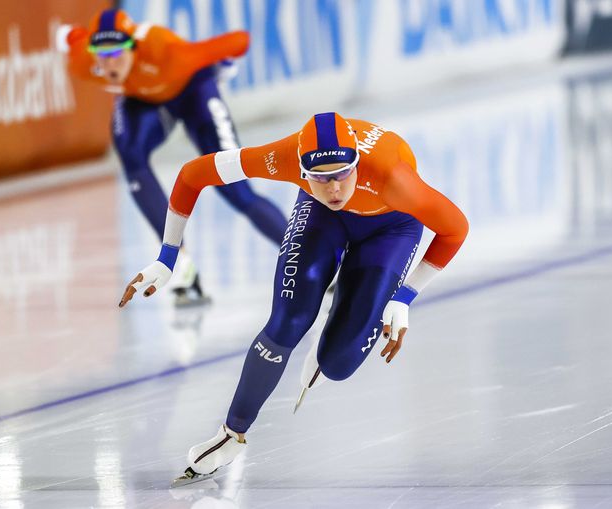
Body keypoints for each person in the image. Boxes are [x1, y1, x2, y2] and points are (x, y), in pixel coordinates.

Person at [119, 112, 469, 484]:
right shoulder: (281, 157)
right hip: (322, 219)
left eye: (342, 173)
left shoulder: (393, 178)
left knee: (338, 364)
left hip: (391, 228)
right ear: (301, 170)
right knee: (287, 321)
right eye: (319, 177)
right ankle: (231, 433)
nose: (334, 188)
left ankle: (341, 315)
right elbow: (193, 174)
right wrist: (167, 255)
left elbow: (455, 229)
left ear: (357, 164)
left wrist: (404, 296)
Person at [57, 8, 288, 303]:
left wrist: (218, 62)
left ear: (134, 47)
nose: (109, 62)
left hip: (193, 92)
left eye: (117, 52)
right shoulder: (83, 62)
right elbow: (74, 39)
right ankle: (181, 265)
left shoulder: (167, 51)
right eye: (101, 53)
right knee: (129, 153)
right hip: (143, 100)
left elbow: (240, 40)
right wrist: (72, 36)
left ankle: (307, 257)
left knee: (235, 189)